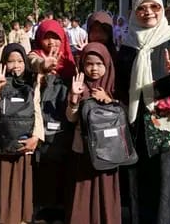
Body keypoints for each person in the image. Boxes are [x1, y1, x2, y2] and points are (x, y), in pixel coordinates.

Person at [115, 0, 170, 224]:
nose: (148, 12)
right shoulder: (129, 44)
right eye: (141, 8)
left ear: (162, 9)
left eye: (154, 7)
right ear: (134, 12)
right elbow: (121, 83)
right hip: (137, 127)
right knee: (143, 183)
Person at [0, 43, 42, 224]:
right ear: (4, 63)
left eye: (20, 61)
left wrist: (36, 137)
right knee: (2, 184)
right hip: (1, 144)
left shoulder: (31, 82)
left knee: (19, 186)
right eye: (11, 61)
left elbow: (37, 109)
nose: (16, 66)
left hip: (22, 146)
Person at [66, 42, 120, 224]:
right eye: (89, 64)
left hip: (109, 150)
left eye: (99, 64)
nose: (94, 69)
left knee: (106, 187)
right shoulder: (79, 86)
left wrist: (109, 100)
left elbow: (124, 115)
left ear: (107, 64)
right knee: (84, 187)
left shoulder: (114, 86)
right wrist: (74, 99)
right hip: (85, 149)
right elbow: (71, 118)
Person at [27, 19, 76, 219]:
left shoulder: (70, 61)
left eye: (56, 38)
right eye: (47, 38)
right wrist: (43, 66)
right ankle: (41, 205)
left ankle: (60, 207)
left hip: (63, 117)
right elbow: (32, 61)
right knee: (43, 163)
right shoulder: (36, 55)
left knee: (62, 161)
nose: (51, 43)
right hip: (41, 118)